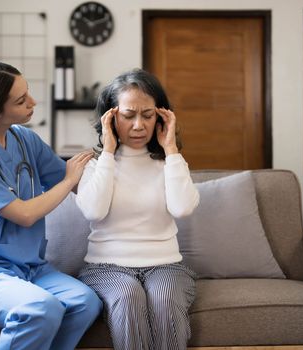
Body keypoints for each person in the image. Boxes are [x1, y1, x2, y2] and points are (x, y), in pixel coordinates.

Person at [0, 61, 102, 350]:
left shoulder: (25, 138)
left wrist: (116, 156)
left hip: (31, 269)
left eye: (27, 92)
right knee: (40, 308)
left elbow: (82, 184)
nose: (33, 102)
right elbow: (25, 215)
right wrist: (68, 181)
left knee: (85, 302)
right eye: (21, 100)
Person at [75, 68, 200, 350]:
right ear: (110, 117)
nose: (138, 125)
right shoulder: (95, 166)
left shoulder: (171, 163)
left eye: (147, 114)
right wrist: (108, 151)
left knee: (165, 297)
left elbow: (182, 208)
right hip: (106, 267)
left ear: (161, 115)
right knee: (128, 294)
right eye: (128, 115)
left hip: (165, 265)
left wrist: (171, 150)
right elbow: (94, 211)